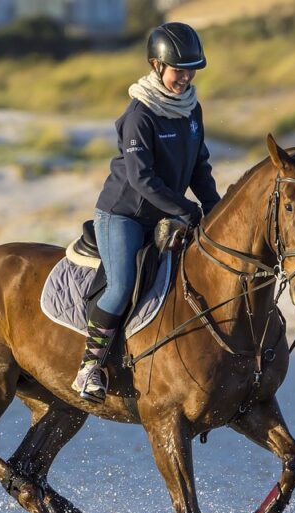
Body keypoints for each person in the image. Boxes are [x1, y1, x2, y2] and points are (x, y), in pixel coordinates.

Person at [72, 22, 221, 403]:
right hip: (123, 214)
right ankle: (89, 367)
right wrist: (186, 208)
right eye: (178, 70)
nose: (185, 77)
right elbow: (141, 179)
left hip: (166, 214)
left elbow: (200, 167)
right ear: (156, 66)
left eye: (191, 69)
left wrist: (214, 209)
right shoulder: (140, 114)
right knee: (122, 285)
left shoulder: (191, 110)